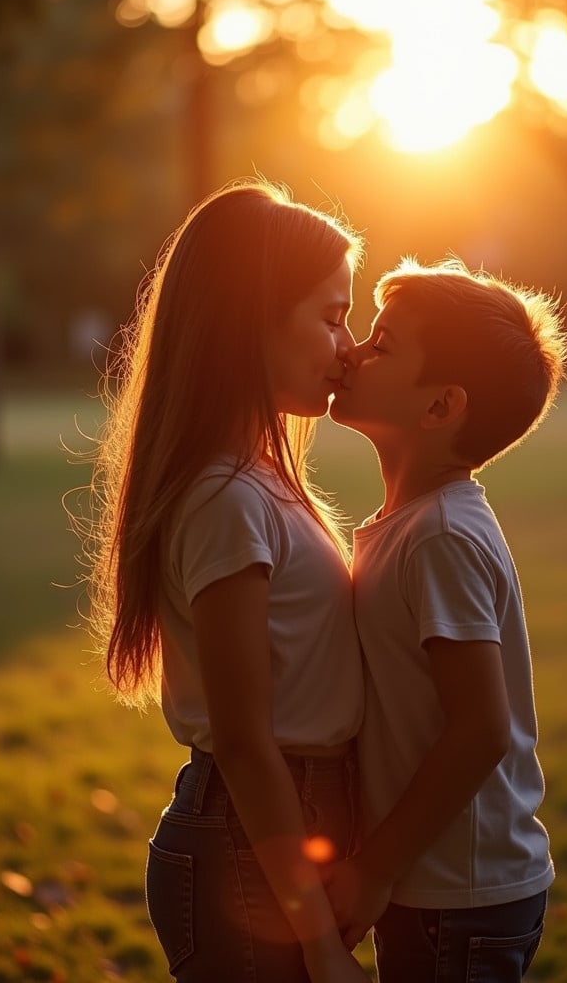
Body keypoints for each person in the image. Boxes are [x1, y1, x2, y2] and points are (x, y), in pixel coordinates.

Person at [76, 179, 371, 983]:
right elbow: (244, 740)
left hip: (277, 832)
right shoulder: (226, 499)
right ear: (254, 321)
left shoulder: (262, 479)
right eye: (331, 315)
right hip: (249, 845)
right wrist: (315, 938)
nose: (349, 345)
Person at [326, 257, 567, 982]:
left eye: (382, 345)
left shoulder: (441, 536)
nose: (353, 352)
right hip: (440, 886)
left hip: (459, 895)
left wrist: (374, 869)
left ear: (440, 407)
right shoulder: (413, 523)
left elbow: (479, 730)